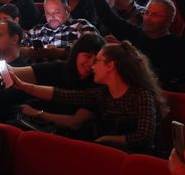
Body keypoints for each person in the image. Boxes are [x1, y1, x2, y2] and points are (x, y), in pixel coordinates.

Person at [12, 42, 167, 152]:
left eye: (98, 61)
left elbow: (145, 136)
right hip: (107, 151)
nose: (93, 66)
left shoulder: (141, 94)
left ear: (110, 65)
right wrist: (25, 87)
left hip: (134, 157)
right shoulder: (102, 93)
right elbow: (62, 95)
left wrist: (108, 140)